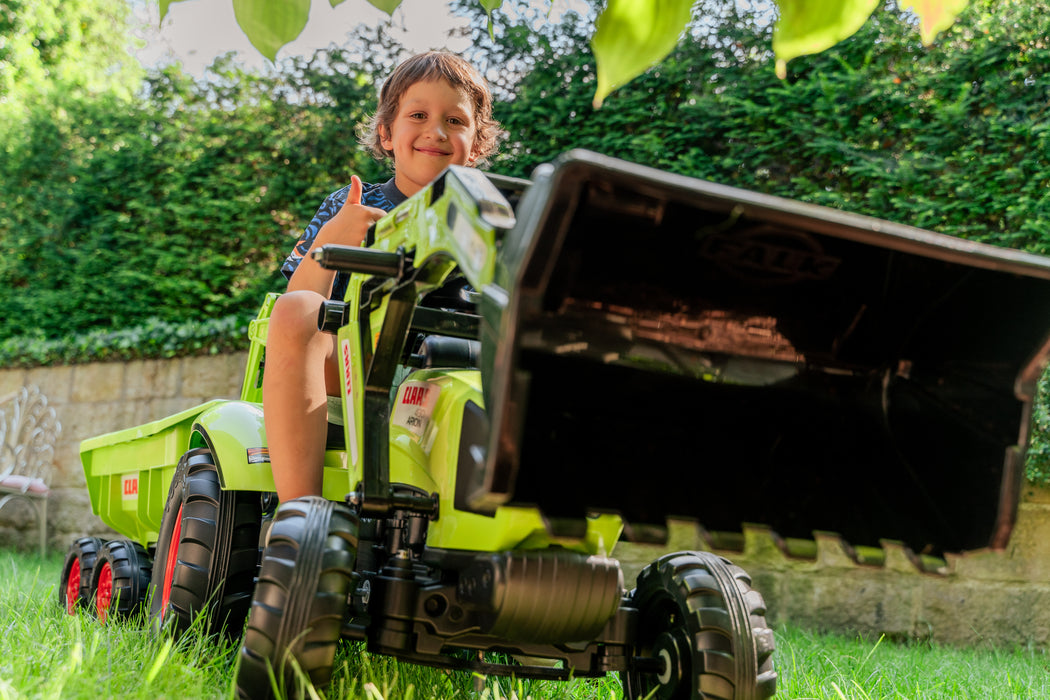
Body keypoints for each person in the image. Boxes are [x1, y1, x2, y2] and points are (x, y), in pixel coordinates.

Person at [264, 51, 501, 501]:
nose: (436, 131)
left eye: (455, 120)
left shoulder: (491, 217)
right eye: (418, 115)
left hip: (457, 370)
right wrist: (333, 240)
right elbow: (298, 301)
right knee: (297, 310)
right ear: (387, 134)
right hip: (358, 369)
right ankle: (300, 515)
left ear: (478, 144)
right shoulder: (352, 205)